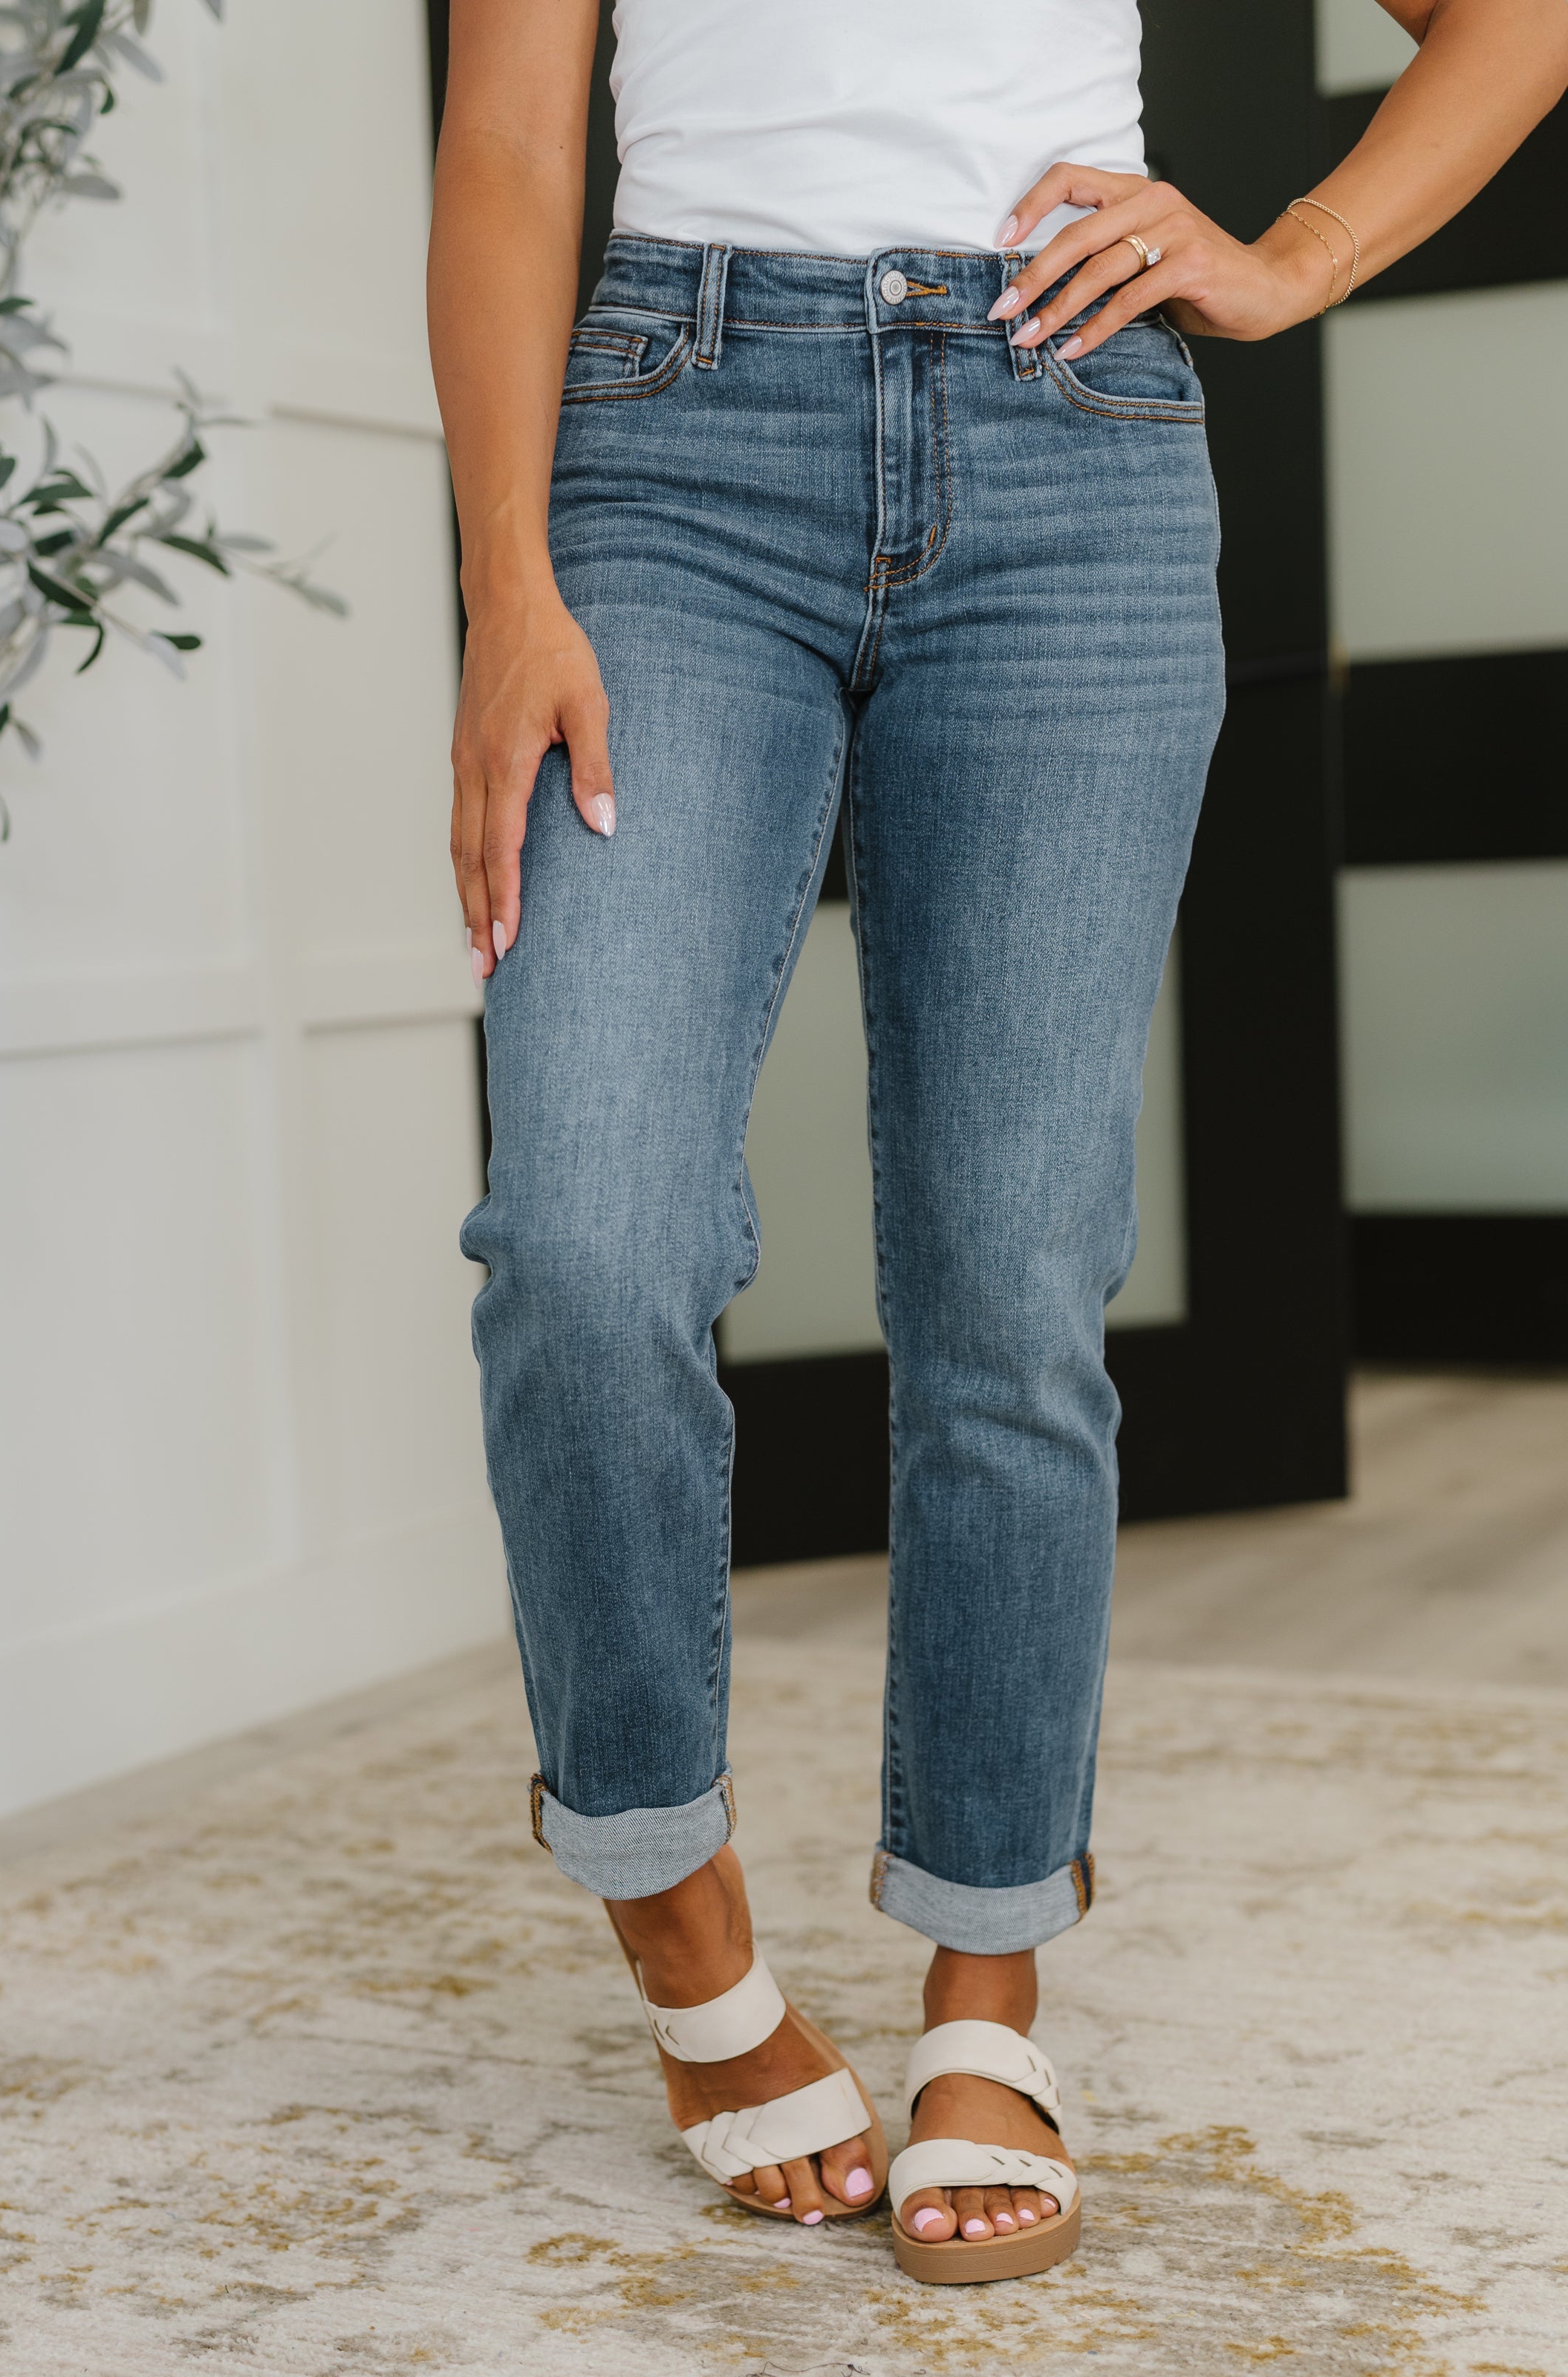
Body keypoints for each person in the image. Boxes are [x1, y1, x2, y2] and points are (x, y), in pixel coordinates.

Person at [427, 0, 1567, 2285]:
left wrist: (1295, 249)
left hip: (1070, 445)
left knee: (1009, 1280)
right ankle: (672, 1908)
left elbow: (1508, 21)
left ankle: (982, 1975)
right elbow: (513, 141)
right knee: (585, 1240)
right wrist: (507, 585)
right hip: (665, 441)